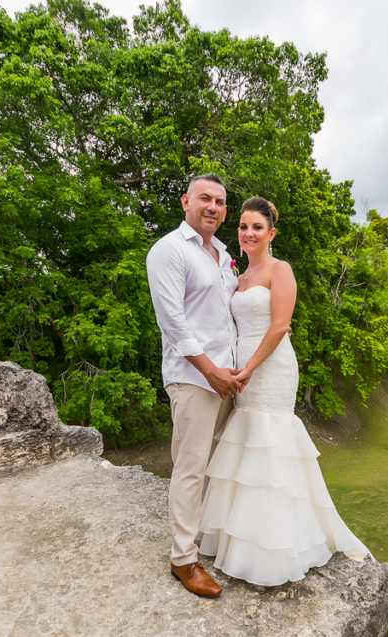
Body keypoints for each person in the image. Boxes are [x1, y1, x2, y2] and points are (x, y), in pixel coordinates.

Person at [197, 196, 370, 586]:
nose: (248, 232)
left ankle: (275, 547)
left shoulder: (281, 270)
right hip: (241, 368)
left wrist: (250, 369)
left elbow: (279, 326)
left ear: (271, 233)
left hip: (270, 367)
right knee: (247, 441)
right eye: (242, 226)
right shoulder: (237, 278)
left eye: (257, 226)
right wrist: (231, 369)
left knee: (270, 442)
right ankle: (238, 538)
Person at [146, 173, 241, 598]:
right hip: (194, 378)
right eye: (205, 198)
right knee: (190, 468)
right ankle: (183, 560)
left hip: (229, 380)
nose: (214, 207)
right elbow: (173, 323)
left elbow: (229, 317)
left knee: (221, 465)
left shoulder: (221, 255)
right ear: (186, 201)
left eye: (220, 202)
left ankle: (209, 538)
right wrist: (210, 371)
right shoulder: (169, 250)